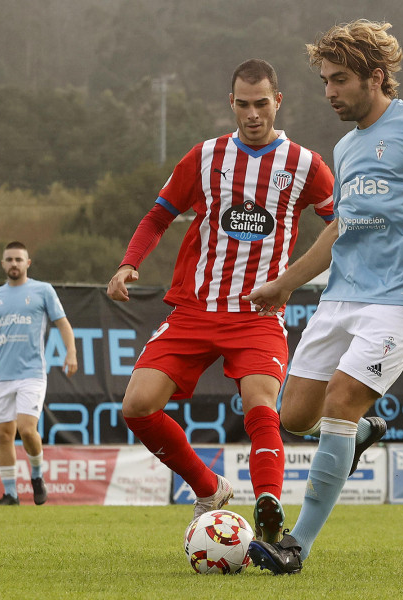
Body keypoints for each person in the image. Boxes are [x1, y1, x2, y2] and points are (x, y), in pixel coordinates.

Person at [244, 20, 403, 574]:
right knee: (295, 416)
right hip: (341, 300)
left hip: (400, 301)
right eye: (325, 81)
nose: (330, 91)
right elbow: (340, 230)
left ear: (376, 77)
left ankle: (295, 546)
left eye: (339, 80)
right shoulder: (345, 146)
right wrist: (286, 282)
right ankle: (360, 435)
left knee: (340, 401)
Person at [106, 59, 337, 543]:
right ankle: (209, 488)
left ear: (278, 102)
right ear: (230, 103)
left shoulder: (305, 165)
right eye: (243, 104)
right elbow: (157, 216)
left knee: (260, 404)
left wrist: (307, 277)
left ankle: (269, 506)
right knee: (137, 406)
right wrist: (130, 261)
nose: (253, 114)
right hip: (195, 309)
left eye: (261, 104)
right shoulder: (205, 157)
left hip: (258, 313)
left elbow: (342, 224)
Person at [0, 241, 78, 505]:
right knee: (4, 434)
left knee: (27, 430)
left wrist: (70, 352)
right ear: (3, 264)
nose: (13, 264)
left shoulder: (43, 291)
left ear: (27, 263)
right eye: (9, 259)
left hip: (32, 373)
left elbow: (63, 324)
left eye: (18, 259)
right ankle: (10, 494)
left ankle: (37, 475)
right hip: (2, 375)